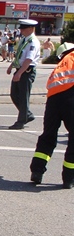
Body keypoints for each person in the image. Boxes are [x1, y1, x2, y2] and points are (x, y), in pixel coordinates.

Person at [29, 42, 74, 189]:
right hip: (70, 99)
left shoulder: (60, 66)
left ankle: (37, 171)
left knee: (48, 135)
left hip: (53, 101)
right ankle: (69, 178)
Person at [7, 19, 41, 130]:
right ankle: (27, 114)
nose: (21, 30)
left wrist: (20, 73)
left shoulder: (33, 42)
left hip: (26, 71)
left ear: (31, 29)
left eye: (23, 28)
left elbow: (28, 59)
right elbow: (20, 56)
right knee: (14, 95)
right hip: (20, 70)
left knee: (23, 97)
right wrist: (11, 66)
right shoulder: (24, 40)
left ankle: (21, 121)